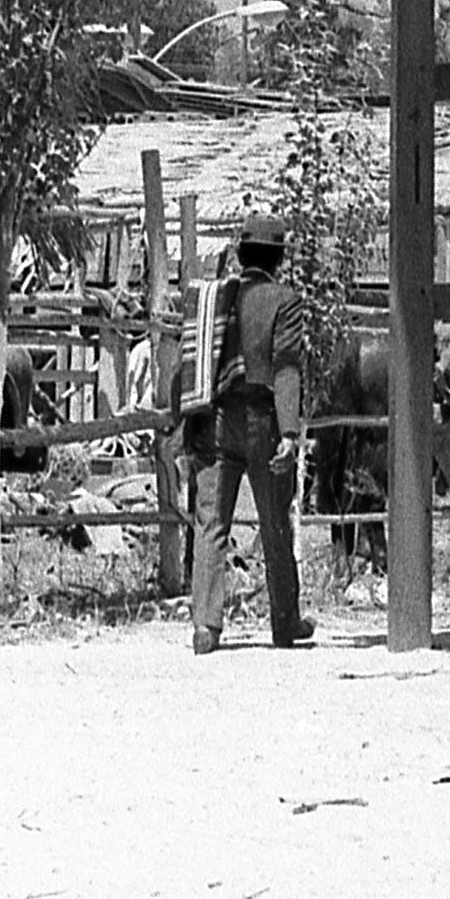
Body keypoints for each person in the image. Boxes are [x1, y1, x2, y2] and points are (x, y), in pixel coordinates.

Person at [192, 226, 322, 653]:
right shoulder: (285, 301)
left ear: (241, 254)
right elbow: (286, 367)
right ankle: (284, 625)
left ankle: (205, 628)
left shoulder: (213, 299)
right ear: (278, 260)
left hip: (214, 419)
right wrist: (289, 431)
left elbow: (188, 360)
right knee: (274, 524)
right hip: (263, 421)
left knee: (211, 524)